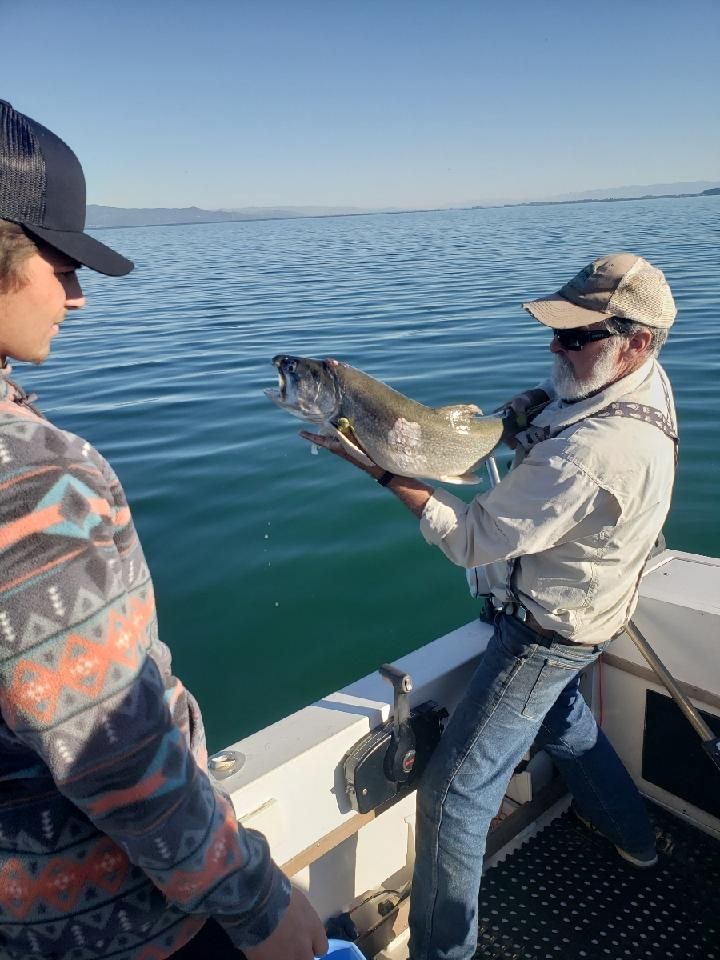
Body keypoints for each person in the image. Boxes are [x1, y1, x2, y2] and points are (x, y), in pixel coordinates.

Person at [0, 100, 327, 960]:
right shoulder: (28, 479)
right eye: (60, 263)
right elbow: (112, 747)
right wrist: (260, 905)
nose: (76, 296)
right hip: (117, 923)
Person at [302, 252, 678, 960]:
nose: (555, 347)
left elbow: (470, 539)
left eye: (575, 336)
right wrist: (510, 416)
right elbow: (553, 399)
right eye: (555, 330)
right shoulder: (636, 384)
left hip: (542, 636)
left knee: (451, 800)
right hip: (596, 611)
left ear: (636, 341)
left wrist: (384, 470)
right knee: (566, 726)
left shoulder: (591, 454)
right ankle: (634, 839)